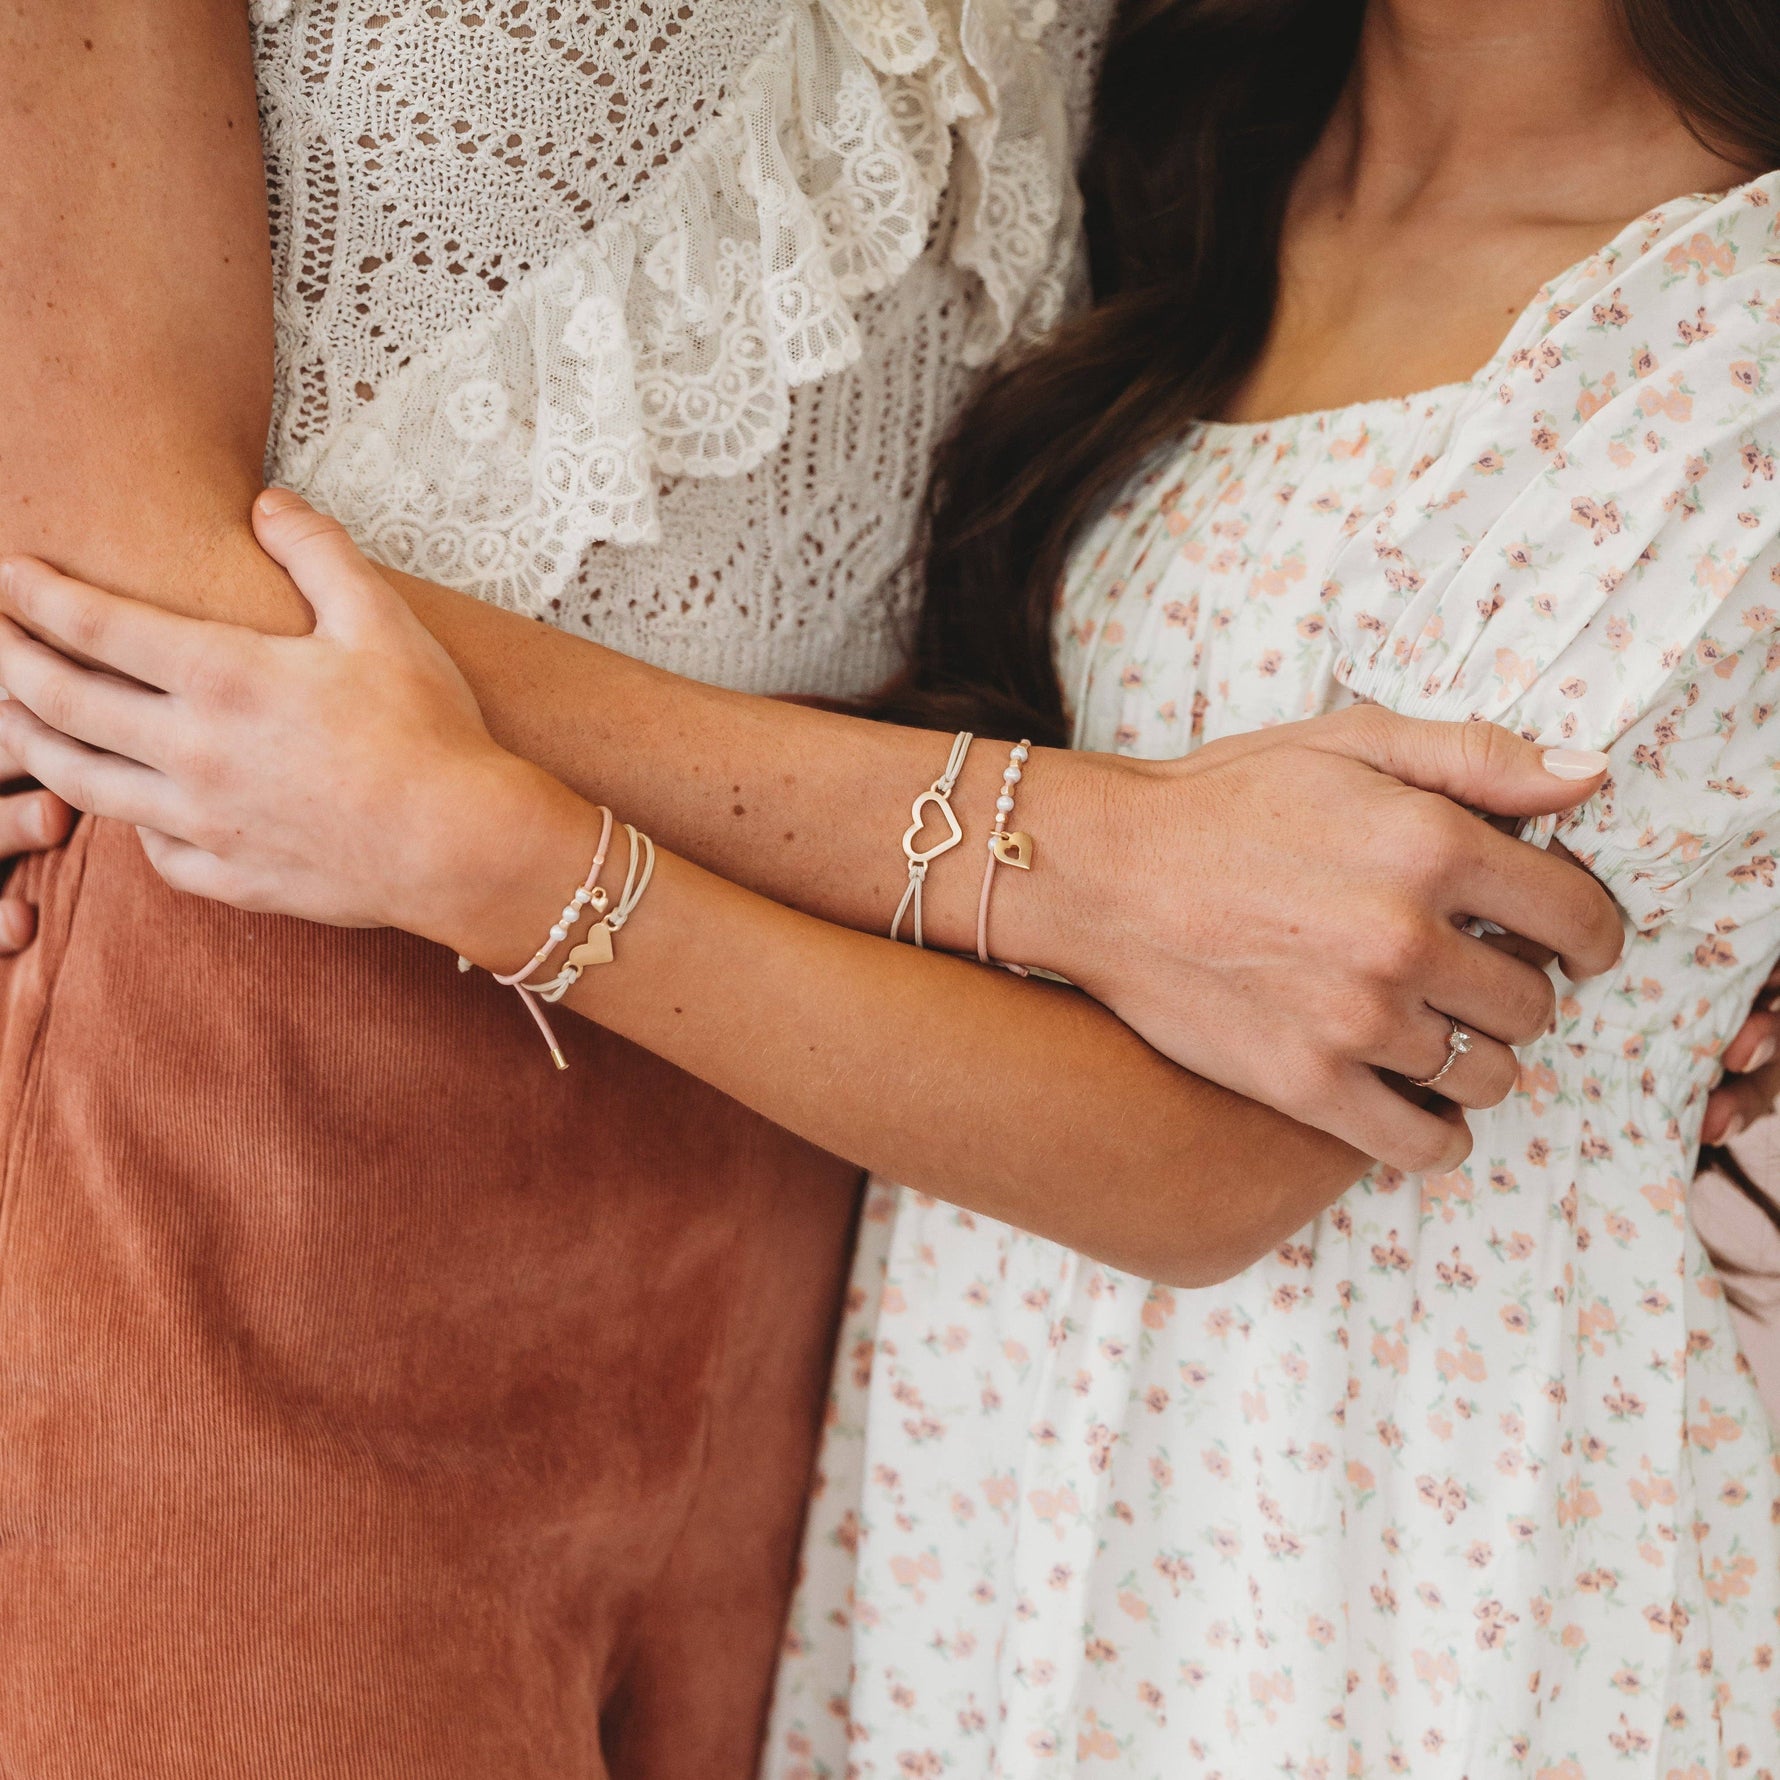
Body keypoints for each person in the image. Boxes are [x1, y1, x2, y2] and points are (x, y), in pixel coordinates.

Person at [4, 0, 1777, 1777]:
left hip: (990, 1309)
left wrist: (522, 856)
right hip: (335, 1100)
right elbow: (122, 535)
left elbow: (1255, 1125)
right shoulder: (1244, 156)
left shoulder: (1621, 305)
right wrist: (1053, 854)